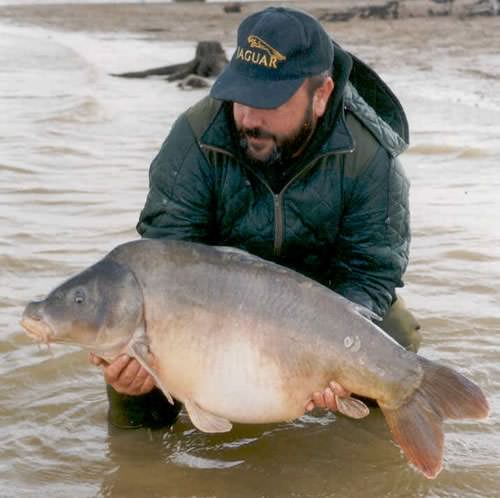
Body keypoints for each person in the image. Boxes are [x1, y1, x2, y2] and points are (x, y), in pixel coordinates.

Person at [91, 6, 421, 429]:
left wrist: (329, 345)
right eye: (242, 95)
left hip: (325, 297)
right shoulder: (196, 136)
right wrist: (147, 355)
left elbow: (371, 271)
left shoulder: (371, 155)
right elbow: (166, 261)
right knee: (131, 374)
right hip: (216, 301)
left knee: (396, 340)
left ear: (320, 95)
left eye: (269, 102)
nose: (248, 117)